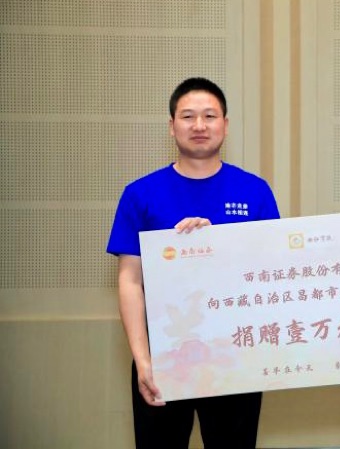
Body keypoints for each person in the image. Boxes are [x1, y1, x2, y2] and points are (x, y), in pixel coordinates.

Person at [107, 77, 280, 449]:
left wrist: (216, 247)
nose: (199, 125)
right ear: (172, 126)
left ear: (225, 125)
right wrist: (143, 360)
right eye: (188, 116)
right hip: (163, 356)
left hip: (237, 354)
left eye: (209, 116)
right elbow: (130, 281)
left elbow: (270, 274)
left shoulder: (255, 192)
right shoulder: (140, 194)